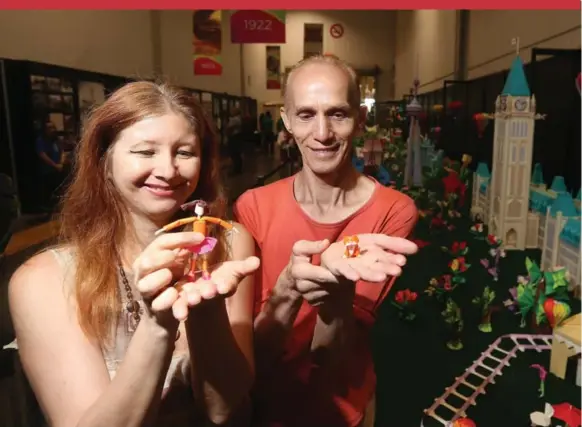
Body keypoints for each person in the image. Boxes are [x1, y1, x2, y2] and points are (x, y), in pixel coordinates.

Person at [9, 82, 259, 427]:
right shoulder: (43, 280)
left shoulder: (227, 244)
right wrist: (158, 325)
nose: (168, 170)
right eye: (145, 152)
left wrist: (207, 311)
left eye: (184, 152)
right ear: (104, 161)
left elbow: (222, 409)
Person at [234, 55, 419, 427]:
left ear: (361, 119)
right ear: (286, 120)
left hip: (342, 410)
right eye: (305, 114)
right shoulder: (254, 206)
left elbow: (329, 355)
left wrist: (336, 291)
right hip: (263, 408)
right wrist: (288, 287)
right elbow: (254, 351)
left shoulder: (392, 211)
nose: (322, 133)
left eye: (338, 114)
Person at [36, 120, 65, 212]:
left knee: (60, 190)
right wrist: (55, 165)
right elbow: (42, 155)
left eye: (53, 127)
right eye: (49, 128)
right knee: (49, 192)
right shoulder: (40, 140)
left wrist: (61, 163)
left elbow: (62, 152)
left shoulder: (56, 140)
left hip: (58, 169)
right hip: (48, 171)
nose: (51, 130)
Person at [227, 108, 244, 175]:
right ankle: (238, 169)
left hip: (234, 137)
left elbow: (229, 128)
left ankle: (236, 169)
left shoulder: (234, 119)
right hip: (237, 137)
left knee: (234, 153)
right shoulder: (238, 118)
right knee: (237, 154)